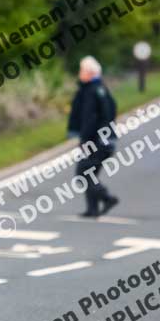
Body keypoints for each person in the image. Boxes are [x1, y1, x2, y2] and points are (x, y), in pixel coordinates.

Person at [68, 56, 119, 218]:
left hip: (97, 141)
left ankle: (107, 198)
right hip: (98, 140)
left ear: (90, 72)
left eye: (82, 70)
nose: (79, 73)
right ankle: (93, 209)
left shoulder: (94, 90)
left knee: (83, 173)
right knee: (88, 174)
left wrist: (90, 138)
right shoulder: (92, 89)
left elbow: (95, 117)